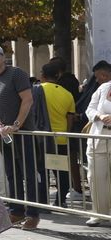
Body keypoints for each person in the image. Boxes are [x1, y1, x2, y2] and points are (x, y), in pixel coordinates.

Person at [0, 45, 40, 228]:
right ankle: (16, 210)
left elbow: (27, 99)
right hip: (5, 133)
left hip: (24, 132)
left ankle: (33, 213)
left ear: (4, 56)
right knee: (11, 173)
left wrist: (16, 125)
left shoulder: (17, 74)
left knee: (28, 173)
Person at [40, 61, 76, 207]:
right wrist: (65, 132)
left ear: (42, 75)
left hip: (40, 137)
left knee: (42, 171)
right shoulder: (67, 94)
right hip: (61, 137)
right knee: (61, 171)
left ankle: (42, 201)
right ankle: (61, 200)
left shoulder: (36, 90)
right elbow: (70, 118)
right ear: (58, 75)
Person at [85, 77, 111, 226]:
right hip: (99, 136)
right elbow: (90, 108)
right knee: (95, 176)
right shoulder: (103, 88)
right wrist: (99, 116)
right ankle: (98, 213)